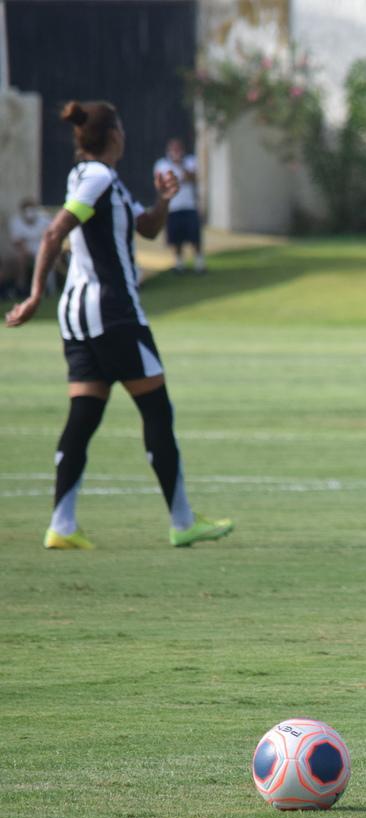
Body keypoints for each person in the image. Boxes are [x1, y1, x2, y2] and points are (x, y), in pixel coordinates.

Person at [4, 100, 233, 550]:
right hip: (114, 316)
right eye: (122, 128)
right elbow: (55, 232)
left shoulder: (95, 179)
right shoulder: (96, 178)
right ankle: (183, 521)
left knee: (85, 415)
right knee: (157, 411)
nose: (125, 135)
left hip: (81, 319)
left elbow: (146, 228)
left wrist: (164, 200)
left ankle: (62, 526)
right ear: (113, 136)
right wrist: (34, 294)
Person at [153, 137, 205, 273]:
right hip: (173, 208)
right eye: (173, 149)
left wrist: (180, 165)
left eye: (178, 149)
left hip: (189, 205)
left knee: (194, 236)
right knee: (176, 238)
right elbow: (161, 183)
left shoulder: (190, 161)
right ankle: (179, 263)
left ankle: (199, 263)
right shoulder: (162, 164)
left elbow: (193, 178)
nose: (176, 152)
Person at [5, 198, 53, 300]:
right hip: (26, 250)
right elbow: (18, 242)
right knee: (20, 258)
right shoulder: (16, 221)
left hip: (43, 247)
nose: (30, 213)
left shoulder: (44, 219)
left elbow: (51, 237)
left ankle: (48, 288)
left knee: (47, 259)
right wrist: (26, 252)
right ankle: (21, 287)